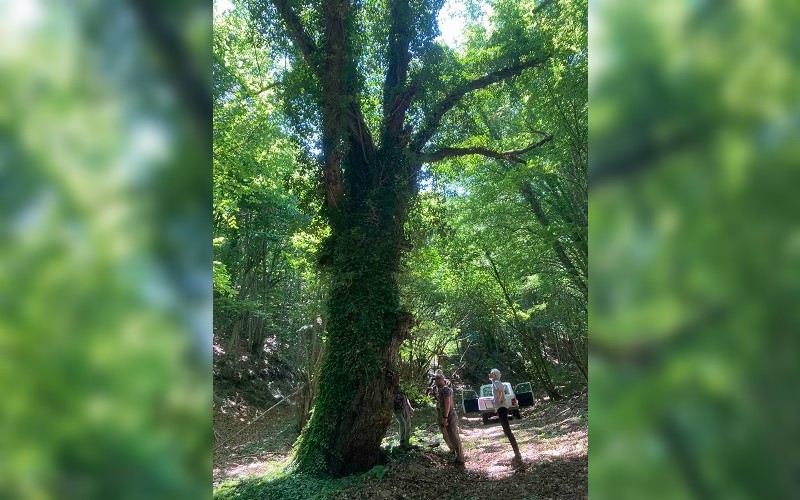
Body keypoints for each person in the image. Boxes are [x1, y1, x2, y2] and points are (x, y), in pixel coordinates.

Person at [489, 368, 523, 465]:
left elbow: (501, 390)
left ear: (495, 375)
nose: (490, 375)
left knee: (507, 431)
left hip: (502, 408)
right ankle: (517, 454)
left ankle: (517, 454)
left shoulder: (496, 382)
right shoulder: (495, 382)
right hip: (501, 408)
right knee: (506, 431)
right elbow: (499, 391)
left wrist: (500, 399)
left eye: (491, 373)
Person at [434, 372, 465, 465]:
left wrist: (445, 417)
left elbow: (448, 404)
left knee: (454, 436)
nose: (434, 382)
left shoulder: (446, 390)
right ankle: (455, 453)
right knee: (447, 435)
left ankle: (460, 458)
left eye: (436, 380)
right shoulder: (440, 390)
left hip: (449, 415)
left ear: (440, 380)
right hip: (444, 415)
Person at [393, 383, 415, 449]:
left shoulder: (401, 387)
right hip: (396, 409)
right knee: (402, 423)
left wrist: (410, 408)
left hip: (405, 408)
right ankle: (402, 443)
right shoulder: (390, 388)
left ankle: (407, 443)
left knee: (408, 425)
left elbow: (406, 398)